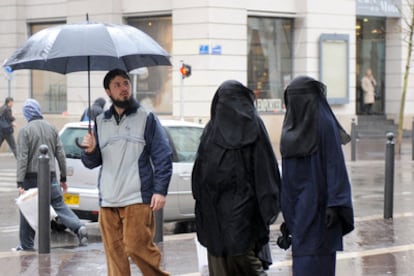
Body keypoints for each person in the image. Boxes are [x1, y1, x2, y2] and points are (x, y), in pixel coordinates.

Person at [80, 68, 172, 276]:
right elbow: (92, 162)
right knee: (115, 258)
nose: (124, 89)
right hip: (108, 201)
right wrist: (91, 150)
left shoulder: (146, 117)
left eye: (126, 83)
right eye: (117, 85)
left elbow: (163, 156)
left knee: (137, 248)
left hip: (137, 198)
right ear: (108, 91)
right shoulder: (100, 121)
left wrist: (160, 190)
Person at [191, 80, 281, 276]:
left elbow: (263, 170)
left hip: (236, 214)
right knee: (231, 263)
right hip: (223, 215)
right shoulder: (216, 128)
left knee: (241, 260)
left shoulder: (224, 128)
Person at [279, 76, 354, 276]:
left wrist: (334, 204)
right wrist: (288, 214)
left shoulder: (322, 123)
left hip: (321, 212)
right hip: (301, 214)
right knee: (304, 263)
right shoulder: (290, 127)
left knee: (316, 264)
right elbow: (287, 178)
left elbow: (334, 165)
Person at [15, 98, 88, 251]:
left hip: (31, 178)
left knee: (28, 209)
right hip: (51, 176)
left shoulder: (25, 131)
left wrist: (20, 182)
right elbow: (60, 154)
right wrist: (63, 178)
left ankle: (26, 245)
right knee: (60, 206)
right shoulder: (52, 128)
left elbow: (22, 157)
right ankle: (79, 227)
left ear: (27, 114)